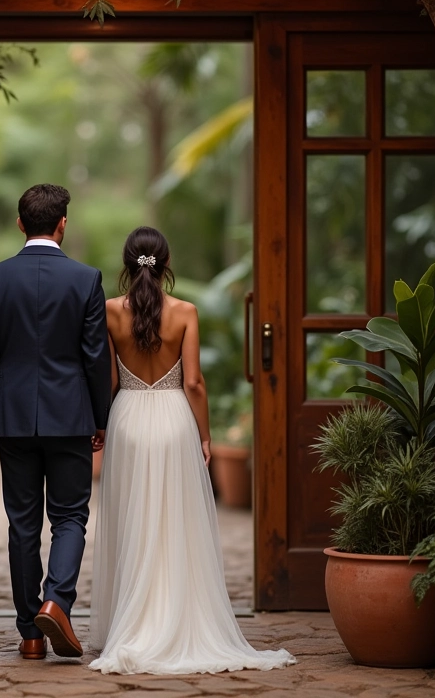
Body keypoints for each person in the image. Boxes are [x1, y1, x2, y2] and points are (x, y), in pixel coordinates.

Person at [89, 226, 296, 675]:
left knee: (132, 519)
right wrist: (205, 435)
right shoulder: (185, 312)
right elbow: (195, 383)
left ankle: (132, 623)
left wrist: (101, 424)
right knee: (174, 521)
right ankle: (176, 618)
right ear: (166, 263)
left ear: (127, 264)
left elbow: (108, 380)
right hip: (174, 420)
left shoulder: (109, 311)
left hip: (127, 419)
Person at [0, 183, 112, 661]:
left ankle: (30, 633)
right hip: (71, 417)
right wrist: (101, 417)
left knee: (22, 524)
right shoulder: (86, 279)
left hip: (14, 418)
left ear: (20, 224)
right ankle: (56, 602)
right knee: (70, 517)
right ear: (63, 224)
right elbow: (96, 357)